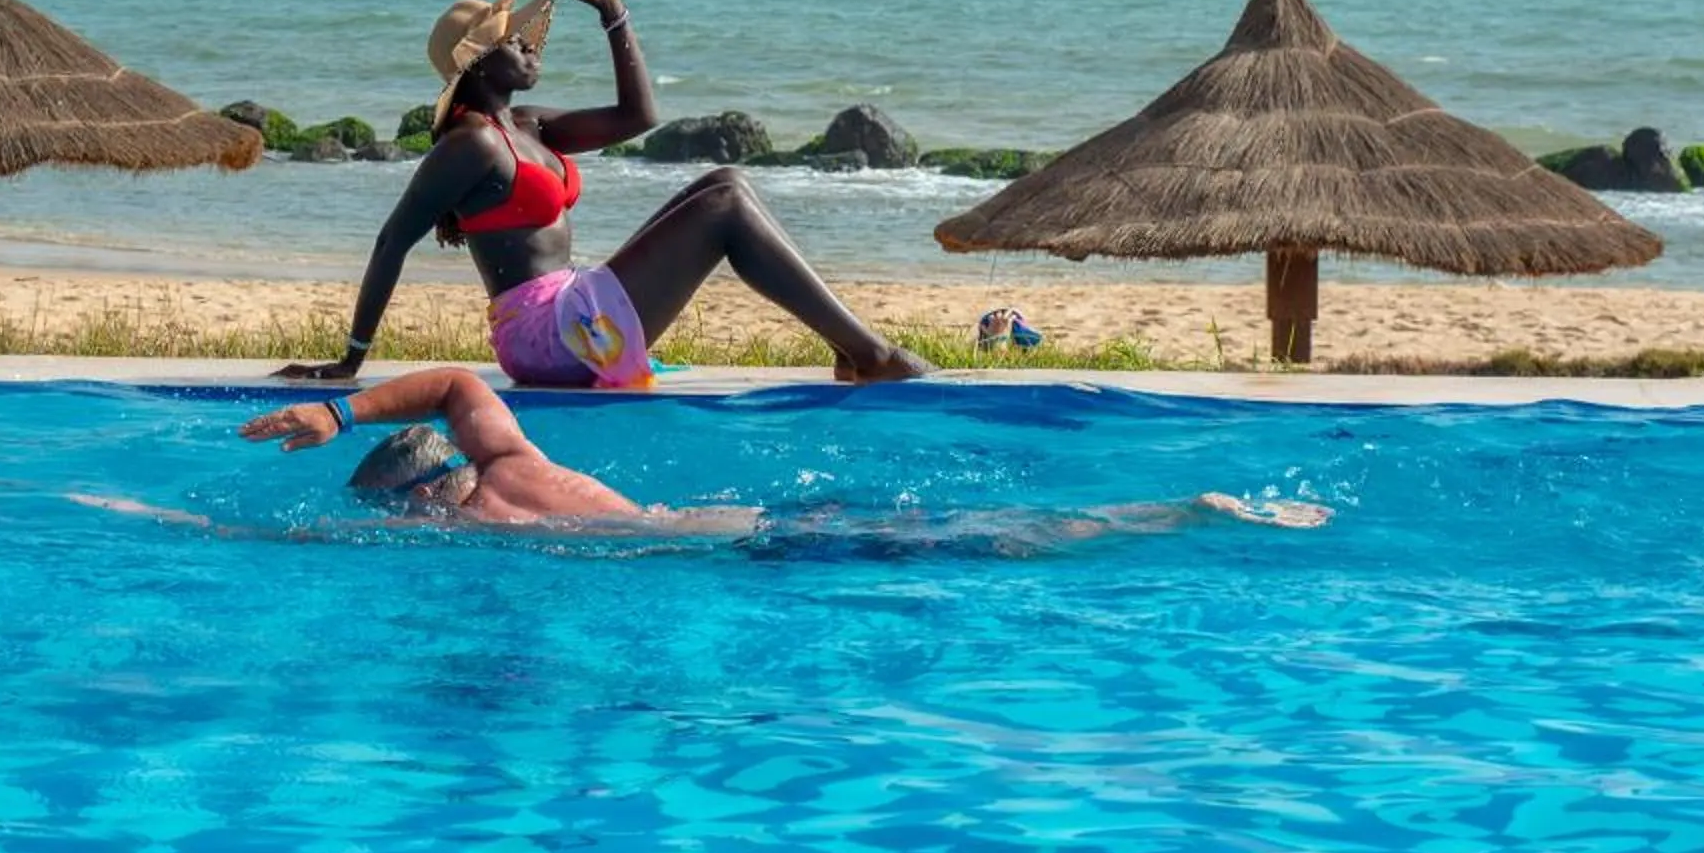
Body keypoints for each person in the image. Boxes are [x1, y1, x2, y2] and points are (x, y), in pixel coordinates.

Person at [274, 0, 930, 391]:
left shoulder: (526, 125)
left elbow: (637, 114)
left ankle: (850, 350)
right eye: (515, 39)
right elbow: (394, 240)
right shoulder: (468, 146)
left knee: (723, 182)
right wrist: (351, 359)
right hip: (545, 335)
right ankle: (871, 355)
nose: (531, 42)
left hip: (573, 312)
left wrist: (613, 12)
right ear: (478, 64)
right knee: (726, 201)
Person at [71, 368, 1332, 548]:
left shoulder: (484, 510)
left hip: (747, 550)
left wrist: (149, 512)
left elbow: (289, 550)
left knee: (994, 546)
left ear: (422, 495)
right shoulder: (503, 461)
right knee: (961, 530)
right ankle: (1171, 505)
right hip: (731, 517)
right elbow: (459, 382)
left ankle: (1179, 508)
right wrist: (342, 414)